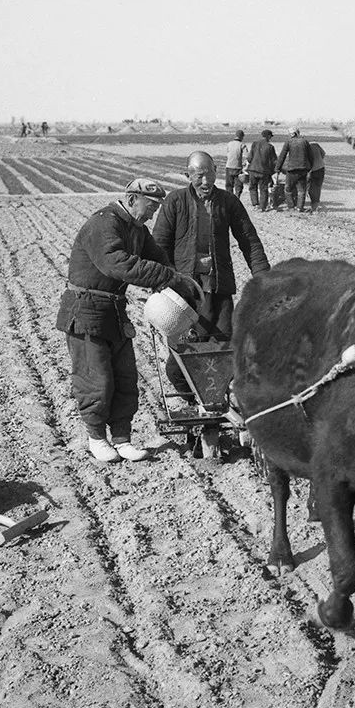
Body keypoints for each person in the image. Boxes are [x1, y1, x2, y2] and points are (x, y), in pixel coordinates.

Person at [55, 178, 199, 463]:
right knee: (96, 379)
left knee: (125, 378)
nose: (153, 214)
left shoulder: (137, 230)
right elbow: (118, 263)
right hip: (86, 311)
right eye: (150, 206)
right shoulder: (104, 223)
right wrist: (167, 277)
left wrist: (180, 285)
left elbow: (158, 260)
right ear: (132, 199)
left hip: (115, 311)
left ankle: (122, 440)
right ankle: (97, 438)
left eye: (157, 208)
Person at [152, 151, 270, 402]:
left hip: (219, 291)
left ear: (217, 171)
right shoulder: (175, 201)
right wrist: (165, 285)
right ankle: (195, 405)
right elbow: (159, 247)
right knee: (179, 364)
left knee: (225, 353)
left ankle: (216, 404)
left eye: (210, 174)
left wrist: (264, 280)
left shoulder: (228, 202)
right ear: (188, 176)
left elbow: (250, 242)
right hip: (185, 298)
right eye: (199, 176)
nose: (206, 182)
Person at [275, 126, 313, 212]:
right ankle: (300, 208)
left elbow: (282, 156)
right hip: (303, 169)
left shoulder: (289, 142)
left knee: (288, 189)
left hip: (292, 170)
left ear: (292, 134)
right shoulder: (305, 141)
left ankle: (291, 207)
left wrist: (277, 168)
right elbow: (311, 156)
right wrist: (310, 167)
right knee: (301, 190)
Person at [246, 129, 276, 211]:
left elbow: (249, 158)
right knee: (263, 189)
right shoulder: (270, 147)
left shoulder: (255, 144)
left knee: (252, 187)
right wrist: (274, 171)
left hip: (252, 170)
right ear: (269, 136)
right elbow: (274, 161)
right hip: (263, 172)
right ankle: (262, 207)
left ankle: (255, 204)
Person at [224, 129, 247, 198]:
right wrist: (244, 164)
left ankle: (229, 198)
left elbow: (228, 154)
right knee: (238, 185)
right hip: (238, 168)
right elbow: (247, 156)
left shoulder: (229, 144)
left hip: (229, 167)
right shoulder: (242, 145)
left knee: (229, 185)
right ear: (242, 137)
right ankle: (237, 197)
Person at [307, 140, 326, 212]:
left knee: (310, 188)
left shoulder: (305, 147)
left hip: (312, 170)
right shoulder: (316, 145)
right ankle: (316, 205)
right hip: (321, 168)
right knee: (318, 187)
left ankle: (313, 206)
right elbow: (323, 154)